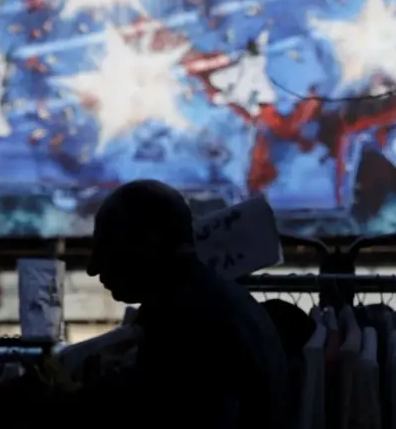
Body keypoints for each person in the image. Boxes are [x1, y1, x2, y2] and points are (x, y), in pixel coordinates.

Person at [87, 180, 293, 428]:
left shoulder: (183, 318)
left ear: (148, 241)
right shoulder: (208, 300)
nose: (92, 269)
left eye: (106, 245)